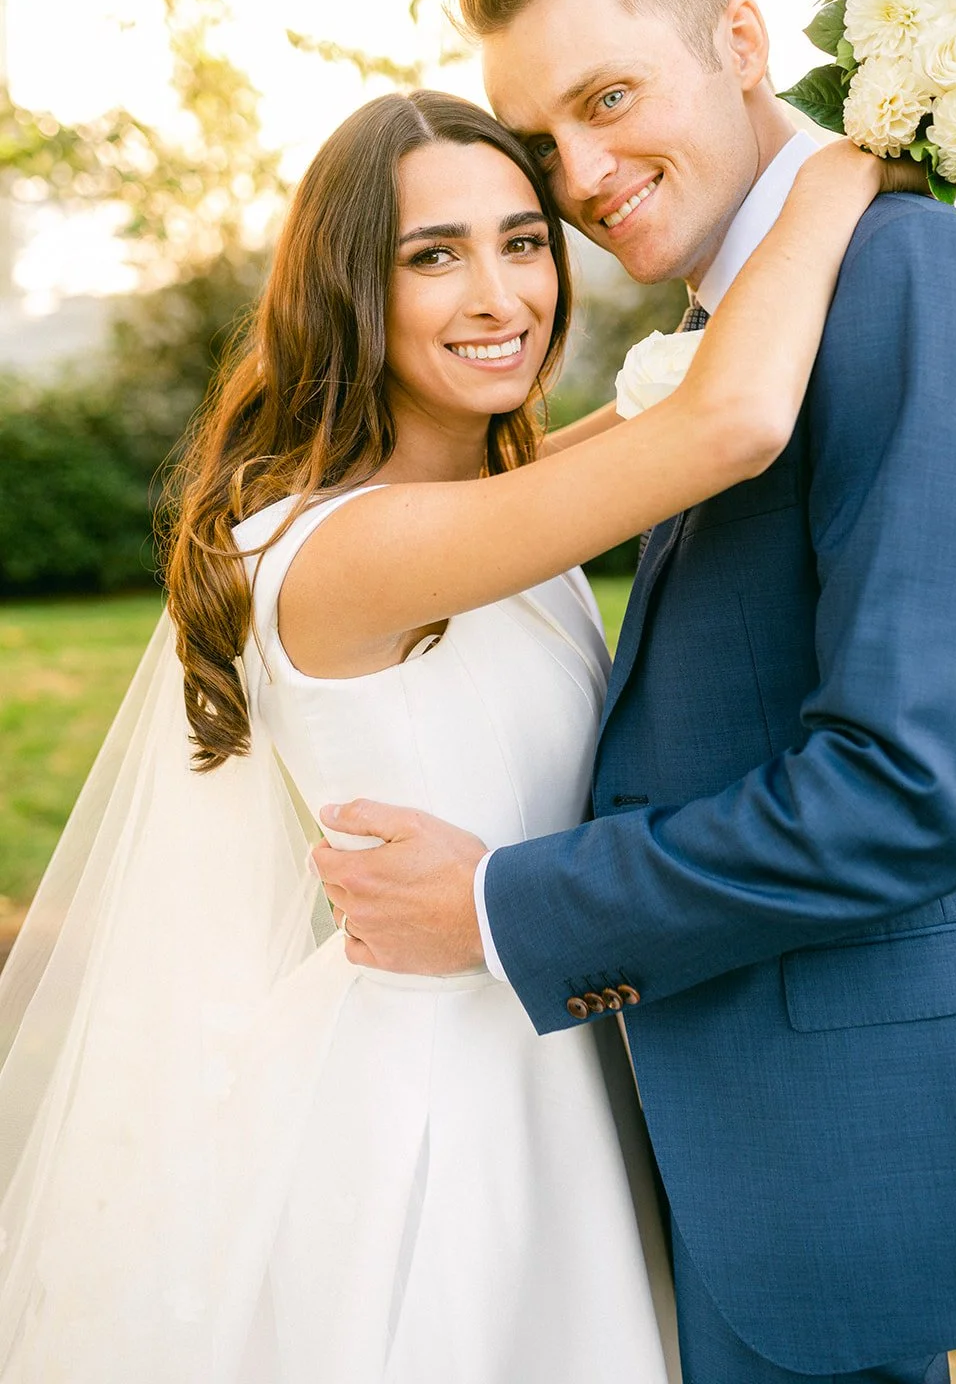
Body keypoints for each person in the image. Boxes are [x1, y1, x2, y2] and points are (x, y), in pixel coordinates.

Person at [0, 87, 896, 1380]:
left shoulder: (496, 502)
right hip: (439, 1109)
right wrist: (837, 172)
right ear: (349, 290)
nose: (500, 296)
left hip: (556, 1045)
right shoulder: (340, 549)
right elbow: (728, 422)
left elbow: (689, 391)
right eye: (435, 256)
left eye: (524, 241)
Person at [314, 0, 956, 1384]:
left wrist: (505, 909)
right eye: (541, 141)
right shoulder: (737, 338)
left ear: (741, 39)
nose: (579, 177)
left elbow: (908, 789)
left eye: (608, 97)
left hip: (834, 1140)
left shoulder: (914, 282)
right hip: (689, 1125)